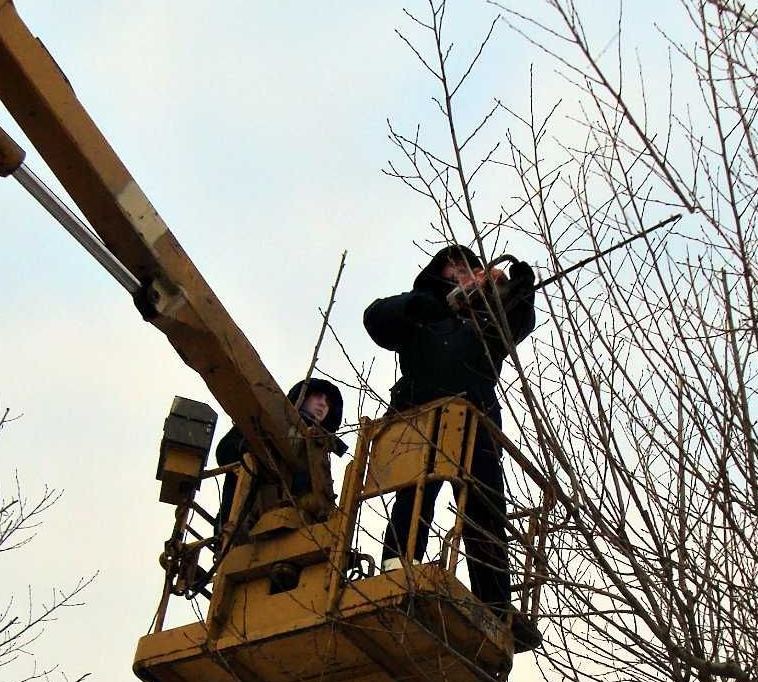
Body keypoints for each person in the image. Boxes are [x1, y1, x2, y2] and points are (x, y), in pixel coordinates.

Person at [364, 244, 539, 651]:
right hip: (423, 412)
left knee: (486, 509)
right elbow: (376, 318)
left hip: (475, 417)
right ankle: (396, 564)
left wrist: (520, 290)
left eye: (469, 269)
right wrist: (437, 304)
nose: (463, 273)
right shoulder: (421, 312)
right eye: (455, 267)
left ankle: (495, 604)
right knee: (416, 491)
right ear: (439, 272)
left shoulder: (484, 322)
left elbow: (516, 326)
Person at [213, 377, 347, 544]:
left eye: (328, 402)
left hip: (296, 534)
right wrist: (258, 454)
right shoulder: (264, 420)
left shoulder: (318, 451)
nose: (323, 404)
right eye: (318, 396)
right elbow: (226, 450)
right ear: (303, 396)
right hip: (243, 520)